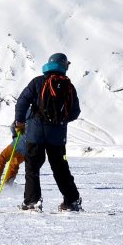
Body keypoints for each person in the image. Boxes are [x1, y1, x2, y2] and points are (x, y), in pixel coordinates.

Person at [14, 52, 82, 211]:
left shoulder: (37, 82)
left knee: (32, 167)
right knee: (60, 168)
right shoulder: (69, 86)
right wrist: (60, 121)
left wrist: (20, 121)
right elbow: (75, 111)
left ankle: (32, 202)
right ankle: (71, 201)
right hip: (57, 138)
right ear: (64, 65)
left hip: (35, 135)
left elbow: (22, 101)